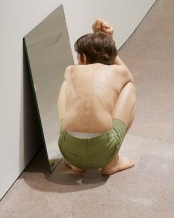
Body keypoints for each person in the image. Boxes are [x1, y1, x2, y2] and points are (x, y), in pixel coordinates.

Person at [57, 19, 137, 175]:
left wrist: (98, 40)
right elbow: (129, 77)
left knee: (66, 85)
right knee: (129, 88)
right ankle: (112, 163)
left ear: (84, 58)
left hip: (69, 151)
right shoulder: (118, 72)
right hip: (104, 151)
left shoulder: (70, 71)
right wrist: (108, 41)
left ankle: (76, 165)